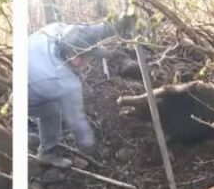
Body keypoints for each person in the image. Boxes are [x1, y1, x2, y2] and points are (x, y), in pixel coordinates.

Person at [28, 14, 134, 168]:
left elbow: (90, 30)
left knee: (52, 97)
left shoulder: (57, 31)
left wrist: (119, 23)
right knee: (53, 109)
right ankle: (47, 153)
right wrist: (90, 147)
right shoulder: (64, 81)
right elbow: (77, 121)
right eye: (88, 57)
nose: (89, 60)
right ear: (75, 58)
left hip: (25, 66)